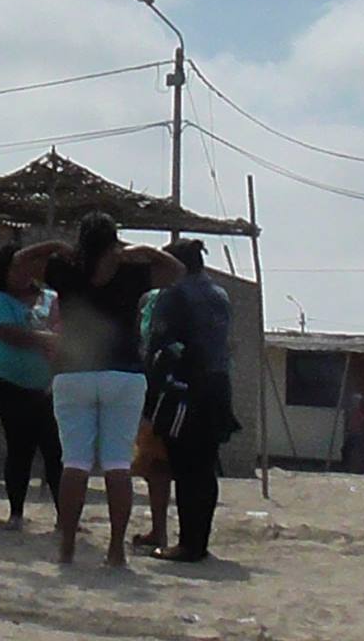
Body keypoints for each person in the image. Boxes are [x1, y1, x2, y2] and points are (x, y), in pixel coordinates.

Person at [44, 213, 182, 568]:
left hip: (74, 375)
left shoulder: (66, 270)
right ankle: (116, 550)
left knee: (73, 463)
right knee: (117, 466)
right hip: (123, 375)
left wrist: (55, 246)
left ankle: (66, 547)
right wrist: (142, 249)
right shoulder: (131, 273)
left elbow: (18, 263)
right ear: (113, 241)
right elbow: (175, 271)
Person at [148, 238, 240, 564]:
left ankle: (188, 544)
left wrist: (151, 392)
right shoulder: (220, 295)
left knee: (185, 466)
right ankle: (199, 540)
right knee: (204, 468)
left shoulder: (174, 295)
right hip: (218, 386)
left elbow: (160, 345)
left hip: (185, 389)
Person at [0, 241, 64, 530]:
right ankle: (16, 512)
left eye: (26, 265)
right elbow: (7, 333)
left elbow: (63, 331)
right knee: (20, 448)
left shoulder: (50, 298)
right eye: (15, 267)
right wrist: (45, 339)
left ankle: (65, 514)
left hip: (50, 386)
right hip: (12, 385)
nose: (22, 273)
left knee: (55, 450)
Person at [130, 251, 186, 552]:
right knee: (163, 464)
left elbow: (152, 345)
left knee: (158, 464)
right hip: (183, 391)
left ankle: (163, 533)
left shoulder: (165, 301)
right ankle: (170, 534)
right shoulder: (208, 297)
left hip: (163, 392)